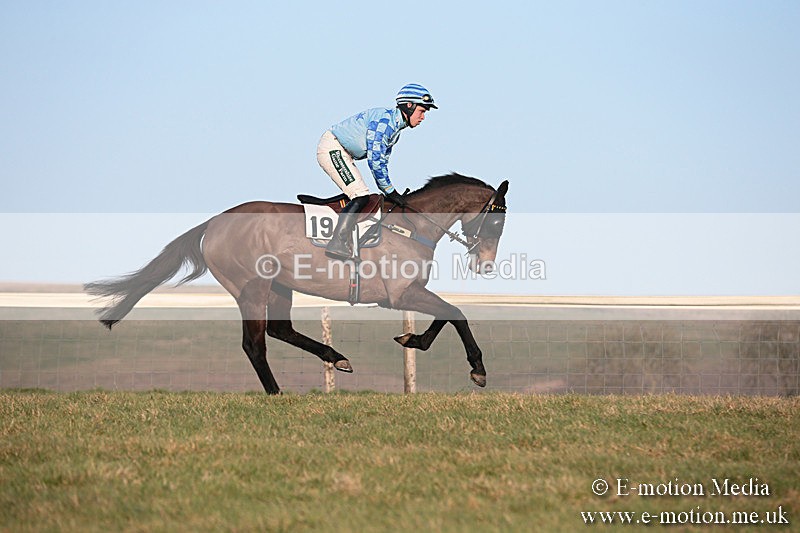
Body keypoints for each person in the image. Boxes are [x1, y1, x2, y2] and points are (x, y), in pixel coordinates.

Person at [317, 83, 437, 259]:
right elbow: (375, 162)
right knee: (360, 195)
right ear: (409, 106)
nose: (423, 117)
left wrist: (388, 191)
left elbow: (383, 162)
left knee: (362, 195)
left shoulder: (395, 129)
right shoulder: (385, 123)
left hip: (344, 152)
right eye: (422, 111)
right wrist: (391, 191)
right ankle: (337, 242)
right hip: (333, 148)